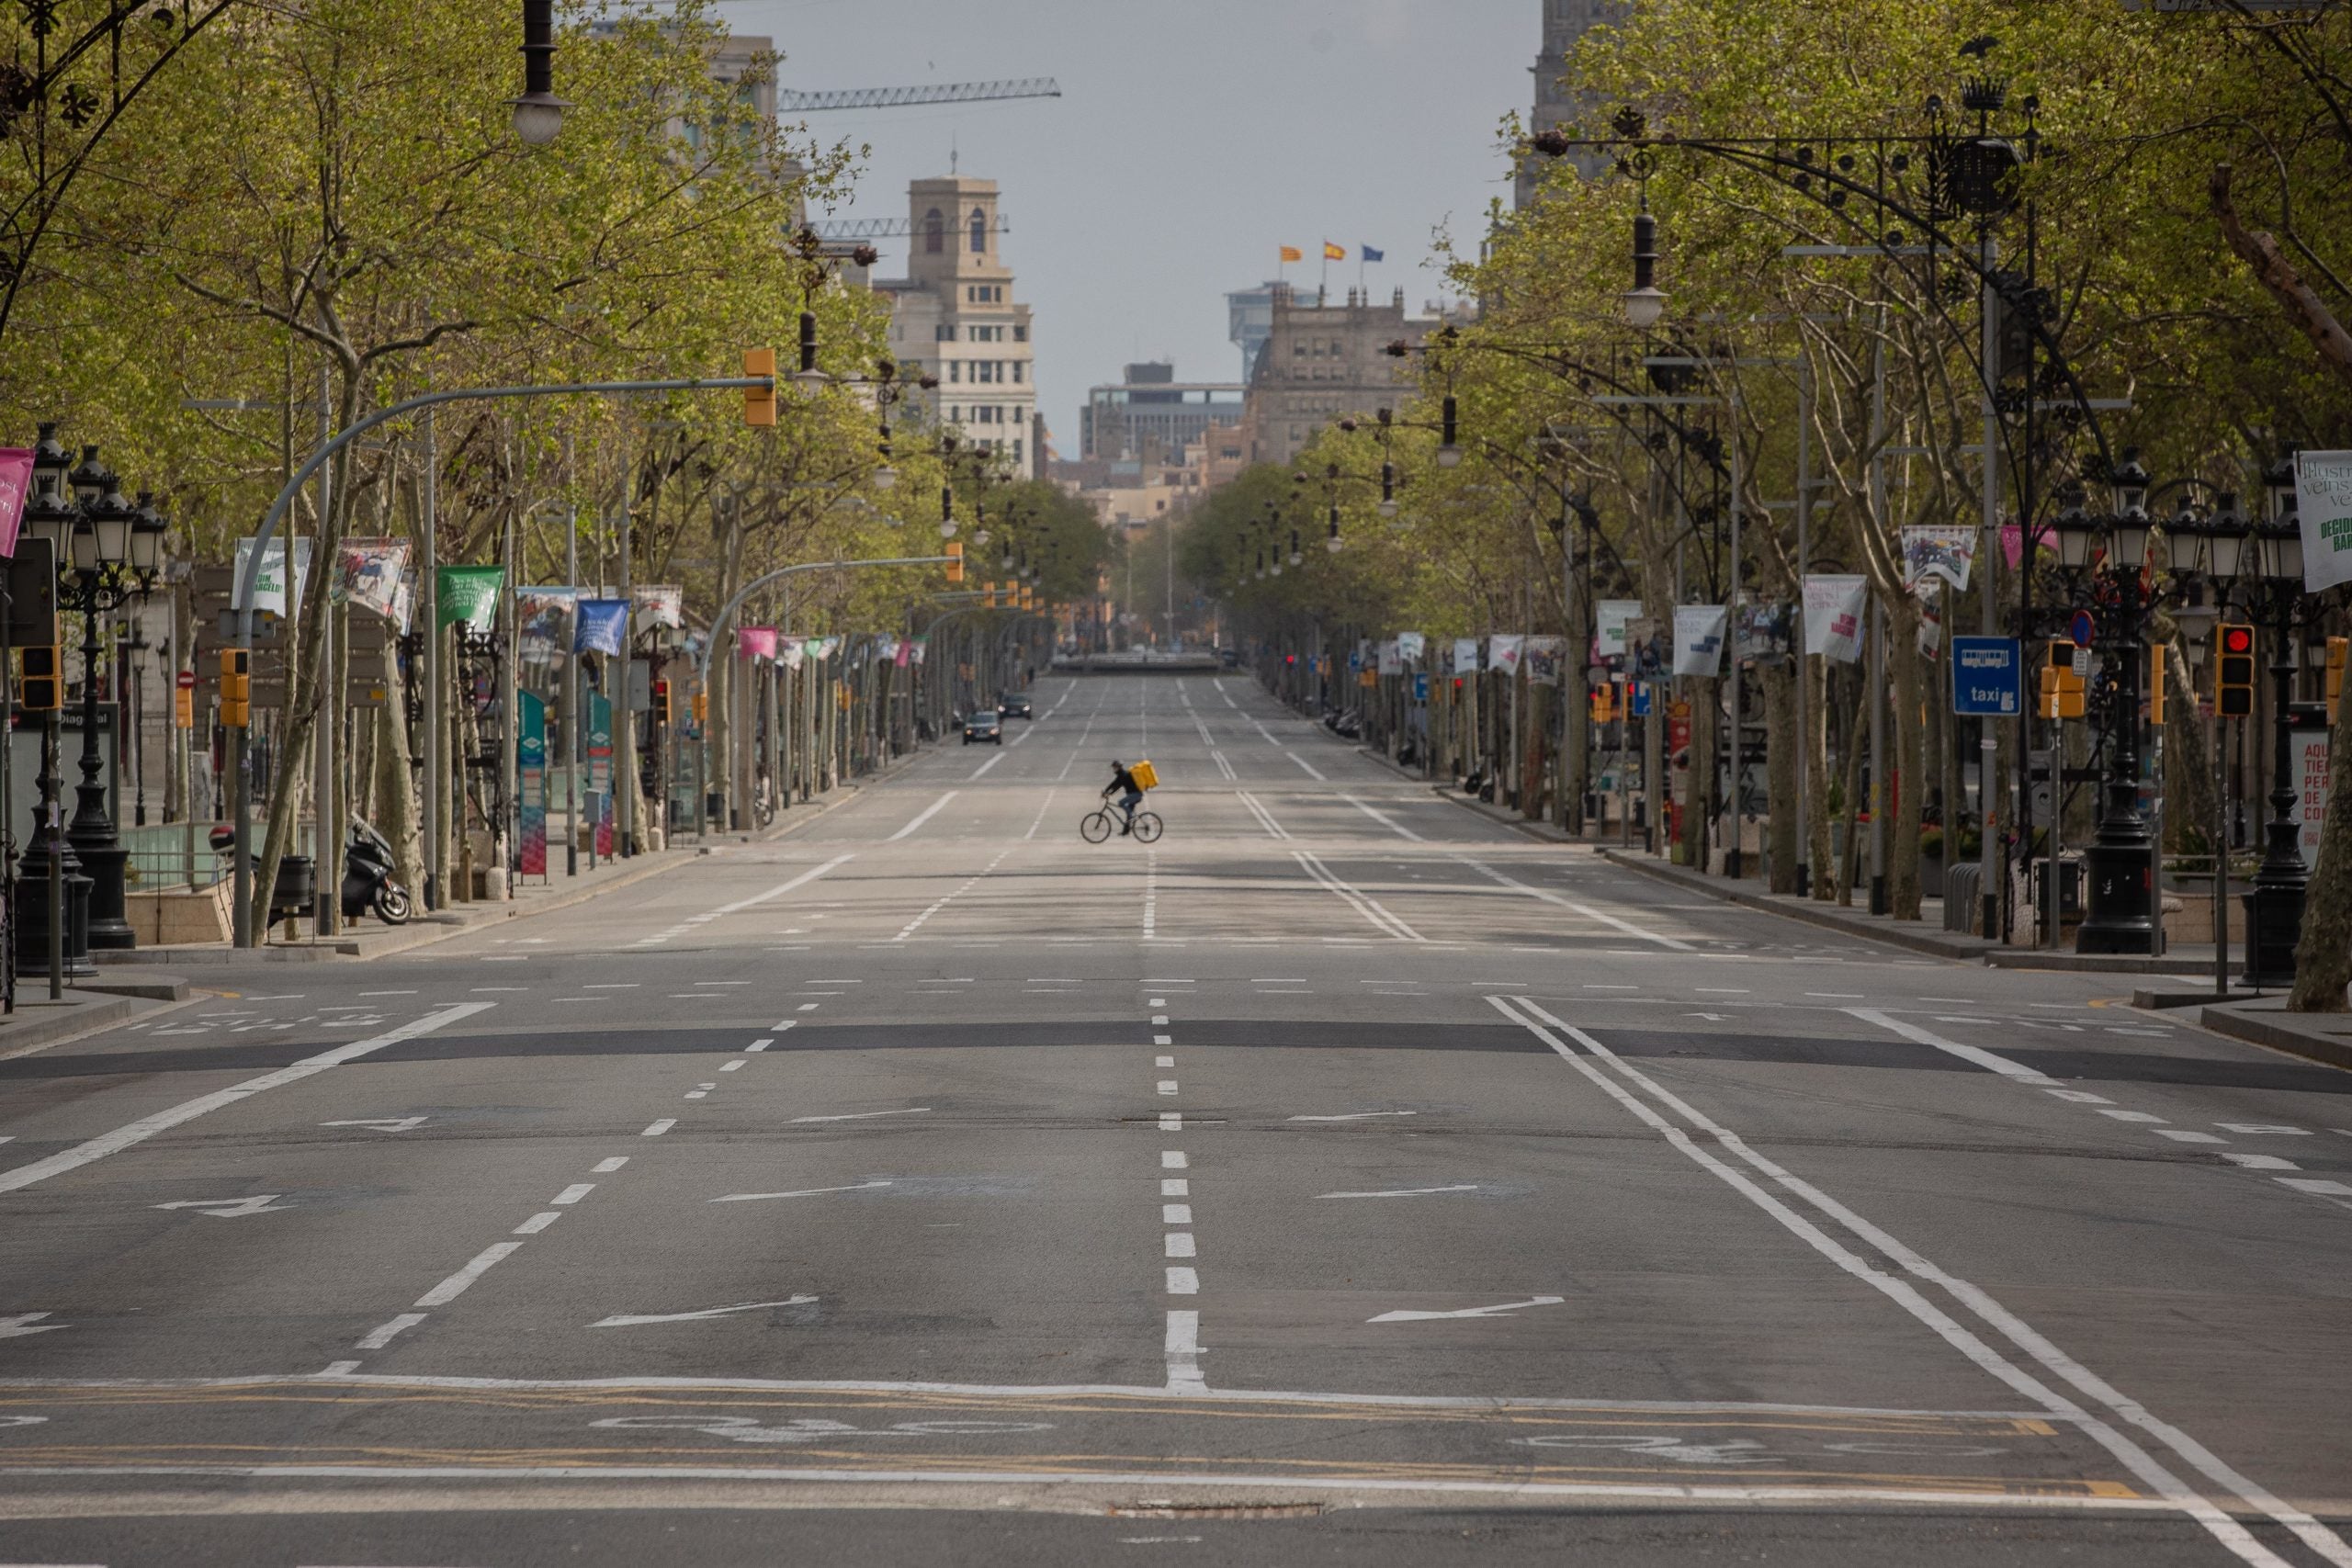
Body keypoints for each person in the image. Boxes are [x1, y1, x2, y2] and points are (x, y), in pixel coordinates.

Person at [1103, 760, 1144, 835]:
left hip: (1136, 794)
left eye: (1114, 768)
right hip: (1133, 795)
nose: (1113, 769)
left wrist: (1109, 793)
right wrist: (1106, 790)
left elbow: (1117, 786)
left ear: (1118, 767)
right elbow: (1114, 783)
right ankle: (1125, 831)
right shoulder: (1121, 775)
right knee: (1128, 814)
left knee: (1121, 803)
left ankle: (1132, 816)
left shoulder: (1124, 775)